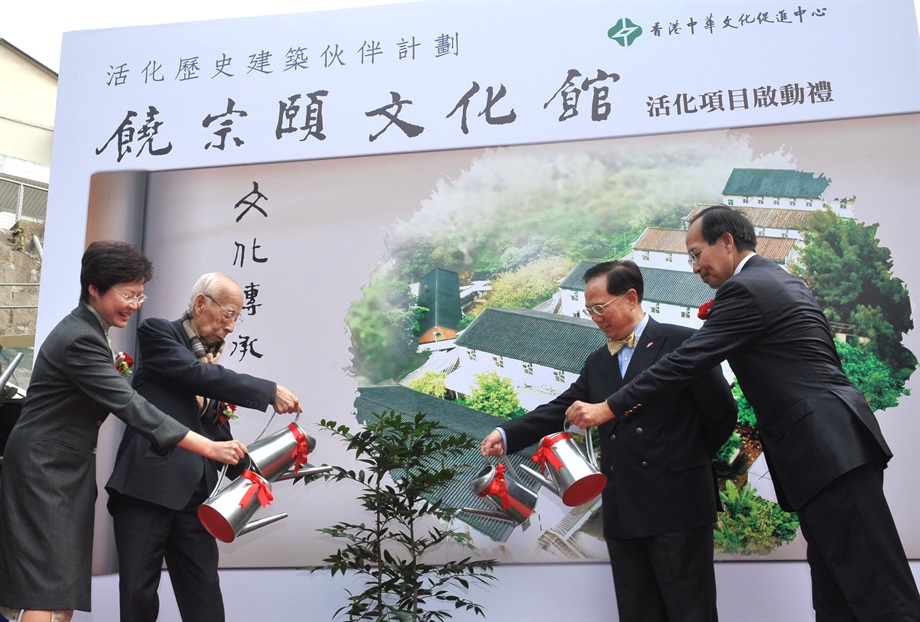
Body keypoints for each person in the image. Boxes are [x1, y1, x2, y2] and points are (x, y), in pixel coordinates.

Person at [566, 206, 920, 621]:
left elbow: (688, 360)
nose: (695, 267)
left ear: (728, 242)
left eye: (697, 254)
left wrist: (609, 406)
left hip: (827, 448)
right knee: (836, 593)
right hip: (827, 449)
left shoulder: (746, 288)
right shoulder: (777, 278)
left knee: (879, 593)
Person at [0, 242, 246, 622]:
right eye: (127, 294)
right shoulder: (81, 337)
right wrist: (208, 448)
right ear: (94, 288)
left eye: (140, 294)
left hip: (64, 468)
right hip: (44, 469)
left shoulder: (93, 332)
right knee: (46, 587)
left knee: (59, 587)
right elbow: (133, 407)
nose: (135, 304)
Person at [481, 260, 737, 621]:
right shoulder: (598, 361)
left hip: (677, 504)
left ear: (631, 297)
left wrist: (683, 459)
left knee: (688, 610)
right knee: (637, 612)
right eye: (590, 311)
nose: (596, 318)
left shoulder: (683, 342)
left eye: (601, 307)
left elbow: (721, 414)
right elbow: (561, 408)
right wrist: (506, 434)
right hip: (623, 508)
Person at [105, 273, 303, 622]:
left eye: (236, 317)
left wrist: (276, 462)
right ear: (200, 304)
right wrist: (268, 390)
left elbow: (220, 436)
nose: (231, 326)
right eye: (228, 313)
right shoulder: (158, 333)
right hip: (146, 491)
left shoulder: (210, 365)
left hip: (195, 500)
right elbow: (193, 374)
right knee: (139, 598)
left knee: (205, 602)